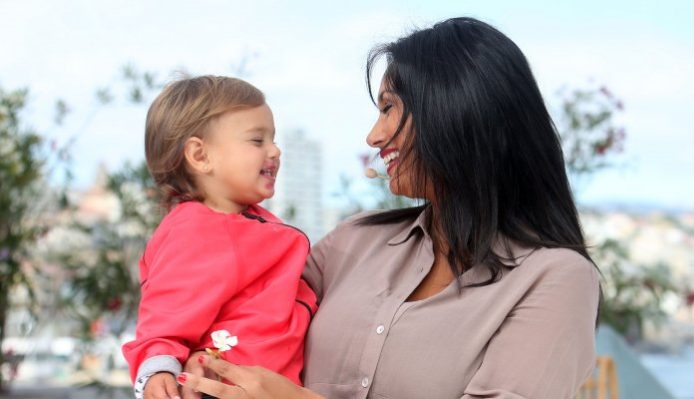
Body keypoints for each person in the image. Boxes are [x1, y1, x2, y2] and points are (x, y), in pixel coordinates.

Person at [178, 17, 600, 399]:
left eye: (389, 108)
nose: (374, 136)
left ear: (455, 109)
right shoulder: (352, 241)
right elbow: (245, 310)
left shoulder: (555, 279)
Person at [121, 76, 317, 399]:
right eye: (257, 140)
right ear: (200, 156)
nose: (275, 150)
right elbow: (164, 317)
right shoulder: (195, 230)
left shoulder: (246, 222)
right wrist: (158, 370)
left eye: (273, 138)